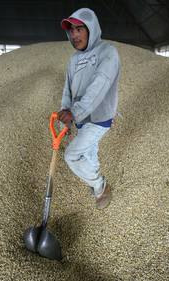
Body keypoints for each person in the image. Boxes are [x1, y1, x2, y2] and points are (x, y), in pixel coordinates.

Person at [58, 8, 121, 209]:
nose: (74, 35)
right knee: (89, 152)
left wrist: (74, 113)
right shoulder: (73, 60)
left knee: (72, 155)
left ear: (91, 29)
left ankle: (100, 186)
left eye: (79, 29)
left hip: (99, 117)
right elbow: (67, 90)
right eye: (71, 31)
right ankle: (96, 181)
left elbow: (99, 86)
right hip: (82, 118)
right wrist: (64, 115)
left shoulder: (107, 52)